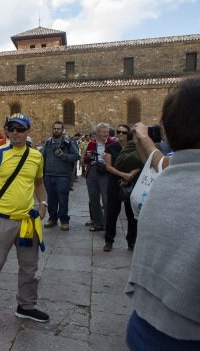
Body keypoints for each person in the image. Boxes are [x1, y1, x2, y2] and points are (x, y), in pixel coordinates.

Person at [125, 76, 200, 350]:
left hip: (144, 325)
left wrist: (144, 138)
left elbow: (158, 160)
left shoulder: (171, 171)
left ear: (167, 130)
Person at [0, 113, 49, 325]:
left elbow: (39, 184)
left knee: (30, 267)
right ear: (6, 131)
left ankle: (26, 306)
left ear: (27, 131)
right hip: (2, 219)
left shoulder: (36, 156)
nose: (15, 132)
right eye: (11, 128)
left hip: (27, 221)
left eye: (20, 129)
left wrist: (43, 203)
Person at [102, 125, 140, 251]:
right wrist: (123, 175)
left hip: (131, 182)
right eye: (118, 132)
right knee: (112, 212)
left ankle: (131, 241)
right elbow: (108, 166)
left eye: (124, 132)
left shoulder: (134, 148)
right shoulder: (111, 147)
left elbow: (140, 163)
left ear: (128, 134)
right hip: (115, 182)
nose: (121, 134)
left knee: (131, 214)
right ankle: (109, 240)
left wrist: (130, 175)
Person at [42, 121, 79, 231]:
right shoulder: (48, 142)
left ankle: (64, 220)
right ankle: (52, 219)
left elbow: (76, 156)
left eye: (58, 129)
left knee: (63, 200)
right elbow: (43, 157)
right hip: (49, 175)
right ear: (52, 129)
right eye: (54, 128)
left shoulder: (68, 142)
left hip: (63, 176)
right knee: (51, 200)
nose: (56, 130)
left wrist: (63, 156)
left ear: (62, 130)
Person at [83, 123, 115, 232]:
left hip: (106, 172)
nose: (106, 134)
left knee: (106, 199)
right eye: (104, 132)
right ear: (97, 133)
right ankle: (98, 223)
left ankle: (107, 224)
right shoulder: (91, 144)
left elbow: (116, 159)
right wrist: (88, 157)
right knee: (93, 199)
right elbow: (85, 160)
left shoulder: (112, 143)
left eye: (107, 132)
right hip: (93, 171)